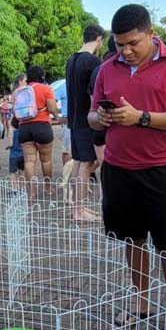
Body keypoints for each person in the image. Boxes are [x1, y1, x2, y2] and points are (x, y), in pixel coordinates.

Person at [88, 4, 166, 330]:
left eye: (133, 42)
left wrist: (142, 117)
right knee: (132, 241)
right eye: (119, 44)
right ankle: (141, 301)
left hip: (160, 169)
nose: (126, 51)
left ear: (151, 33)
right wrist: (100, 120)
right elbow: (91, 115)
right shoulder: (108, 68)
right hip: (118, 169)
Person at [65, 23, 106, 221]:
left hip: (73, 120)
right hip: (86, 120)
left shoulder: (71, 59)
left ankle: (77, 207)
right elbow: (94, 94)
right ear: (99, 39)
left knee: (79, 163)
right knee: (86, 164)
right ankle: (79, 210)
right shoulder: (92, 62)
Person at [16, 65, 59, 198]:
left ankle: (32, 192)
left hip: (24, 127)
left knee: (29, 161)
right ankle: (48, 188)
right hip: (42, 126)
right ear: (42, 76)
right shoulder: (45, 88)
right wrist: (57, 116)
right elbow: (52, 108)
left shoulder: (20, 90)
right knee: (45, 160)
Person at [51, 77, 70, 165]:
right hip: (68, 121)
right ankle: (66, 175)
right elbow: (52, 100)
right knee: (67, 149)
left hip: (81, 120)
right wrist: (57, 117)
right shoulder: (63, 85)